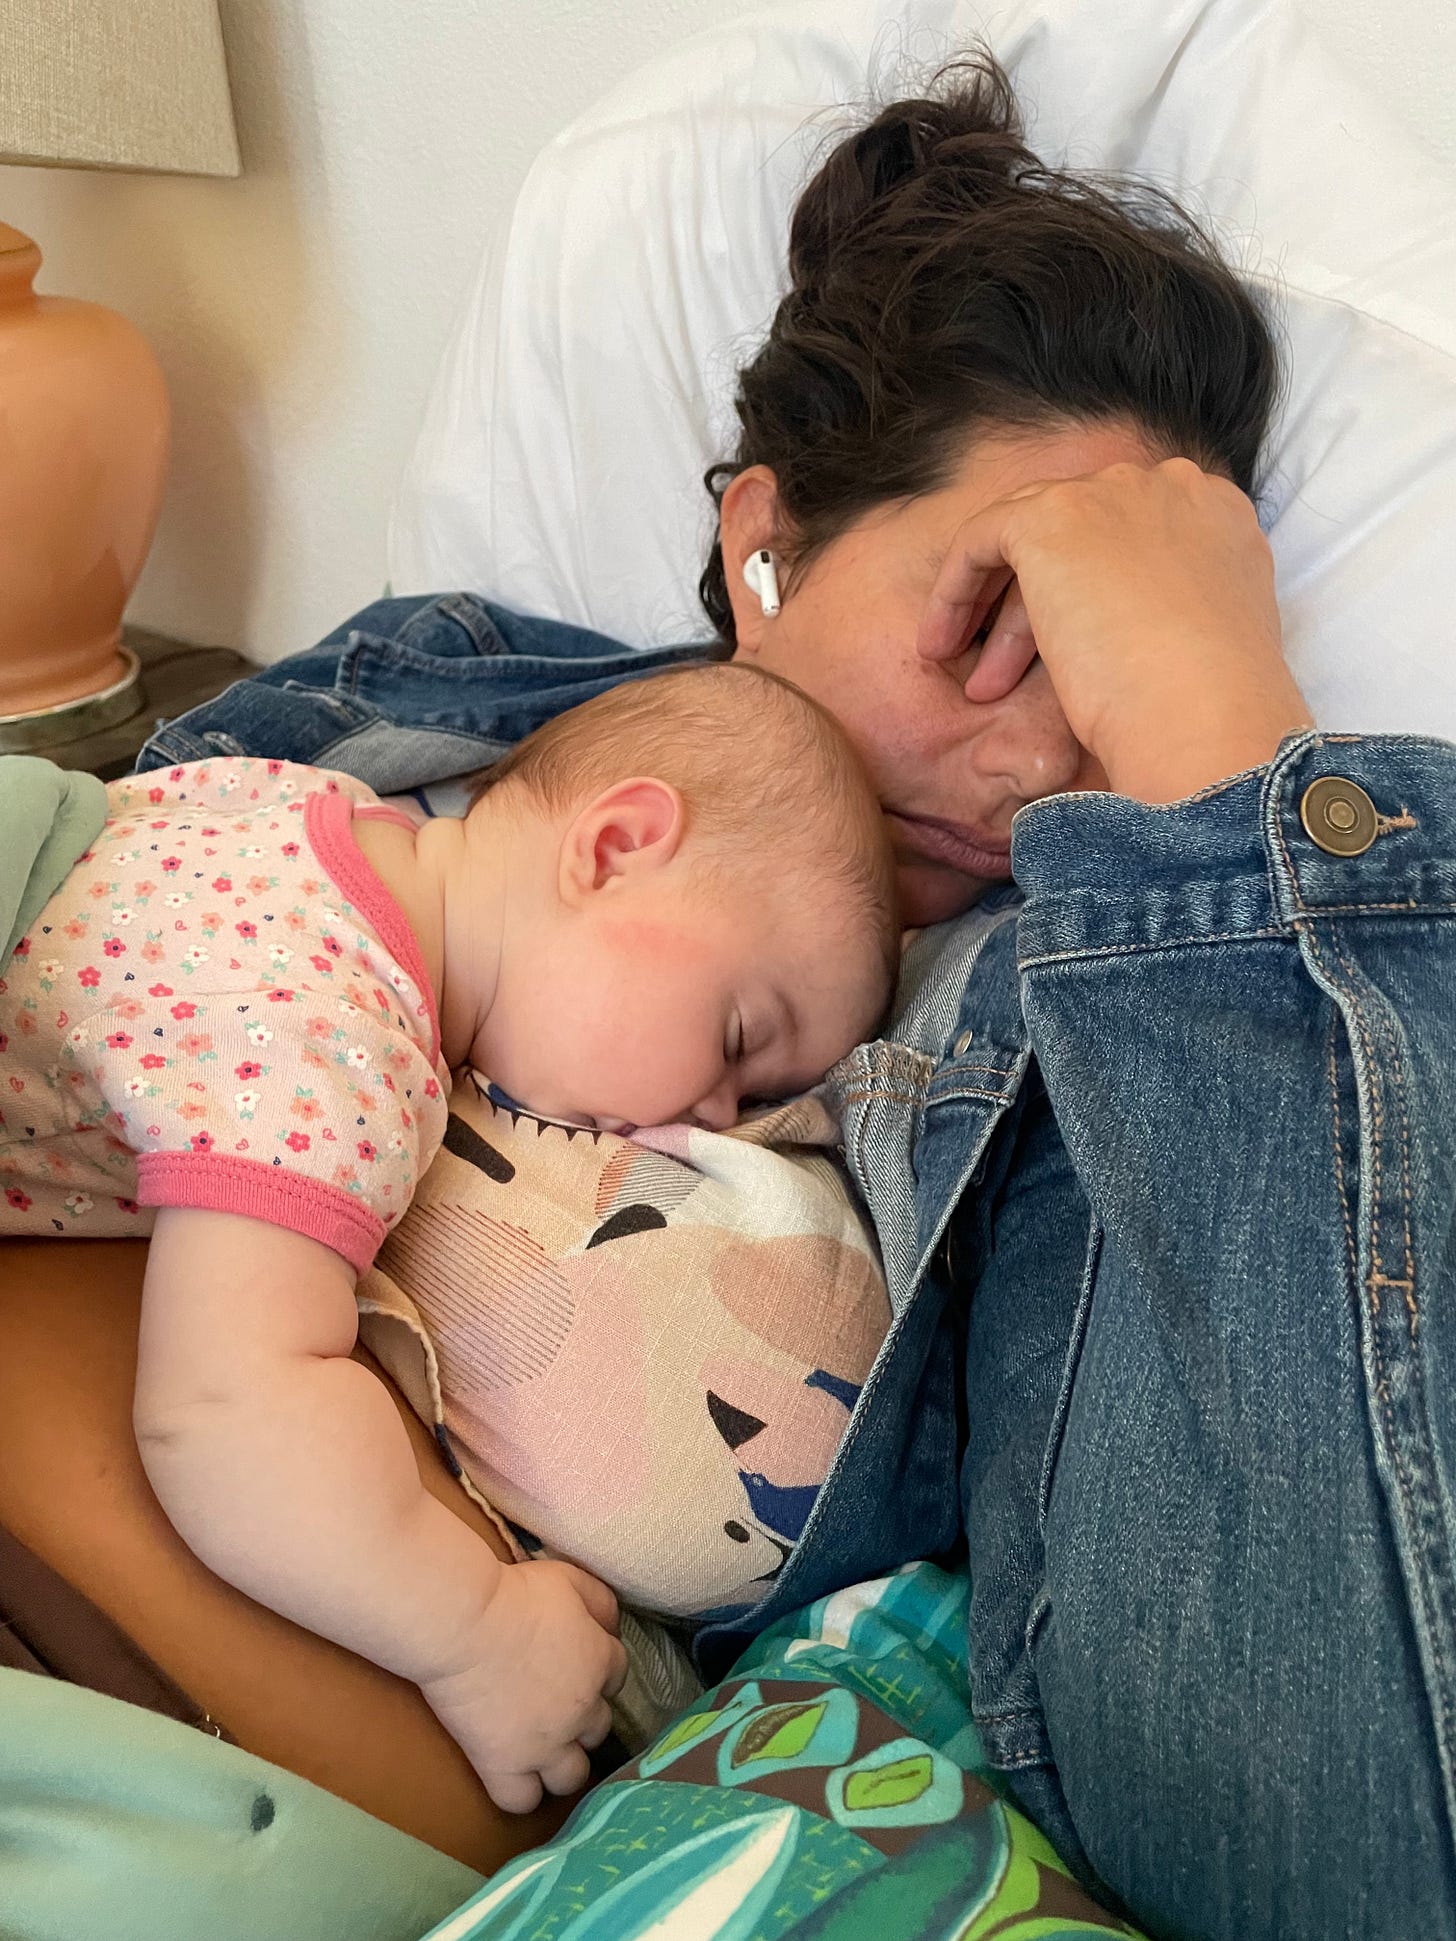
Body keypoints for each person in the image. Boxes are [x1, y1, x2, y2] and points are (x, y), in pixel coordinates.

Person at [2, 51, 1452, 1940]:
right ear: (764, 546)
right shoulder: (423, 709)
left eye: (1094, 671)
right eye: (991, 618)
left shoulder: (1094, 1033)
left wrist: (1212, 739)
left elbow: (1323, 1832)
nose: (1035, 768)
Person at [0, 663, 897, 1816]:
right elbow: (224, 1413)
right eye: (735, 1038)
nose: (715, 1120)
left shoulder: (315, 811)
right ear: (615, 846)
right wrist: (471, 1632)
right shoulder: (332, 1045)